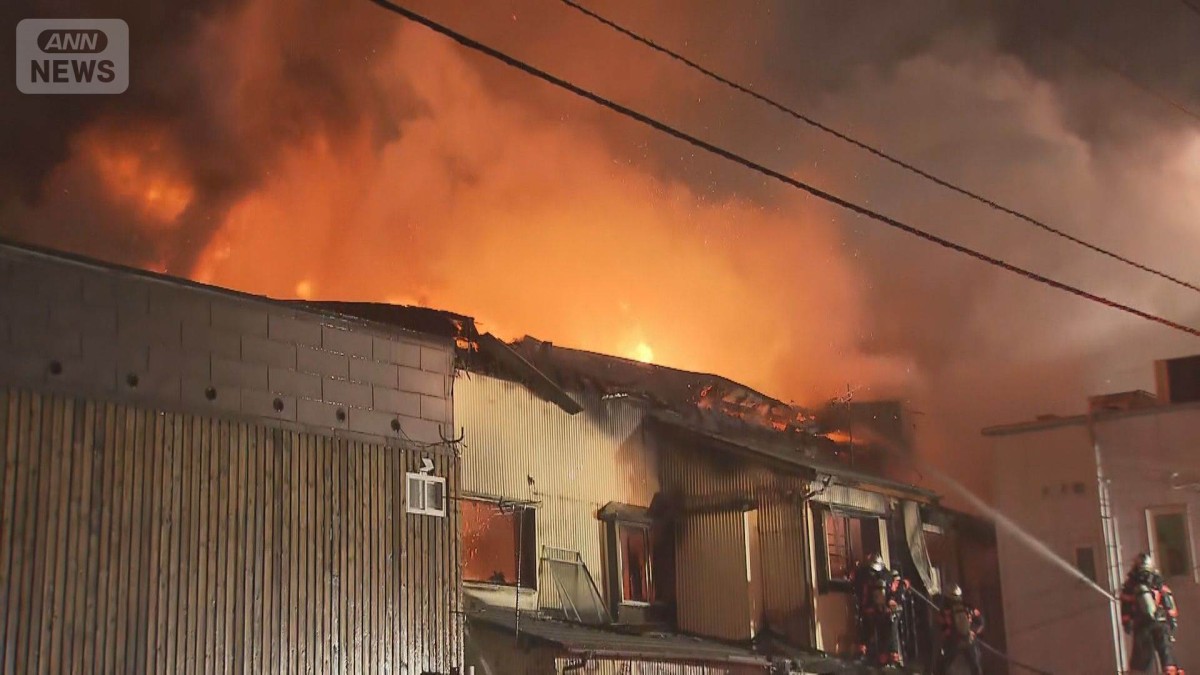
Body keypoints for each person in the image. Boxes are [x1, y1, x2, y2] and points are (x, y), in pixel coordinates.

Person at [1121, 553, 1185, 675]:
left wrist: (1127, 623)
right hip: (1161, 623)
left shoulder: (1131, 584)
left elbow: (1126, 605)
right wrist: (1172, 620)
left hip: (1142, 625)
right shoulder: (1158, 581)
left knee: (1140, 659)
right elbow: (1168, 602)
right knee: (1167, 654)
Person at [850, 553, 906, 668]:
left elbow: (897, 591)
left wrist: (891, 603)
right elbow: (857, 587)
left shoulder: (888, 577)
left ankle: (890, 655)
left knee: (889, 625)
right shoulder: (864, 575)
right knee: (868, 625)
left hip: (884, 611)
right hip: (871, 610)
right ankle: (867, 652)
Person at [937, 584, 985, 675]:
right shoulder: (968, 607)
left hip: (953, 642)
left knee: (942, 665)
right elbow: (981, 622)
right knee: (975, 666)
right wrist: (973, 632)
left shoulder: (945, 610)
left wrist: (947, 634)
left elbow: (941, 626)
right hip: (969, 641)